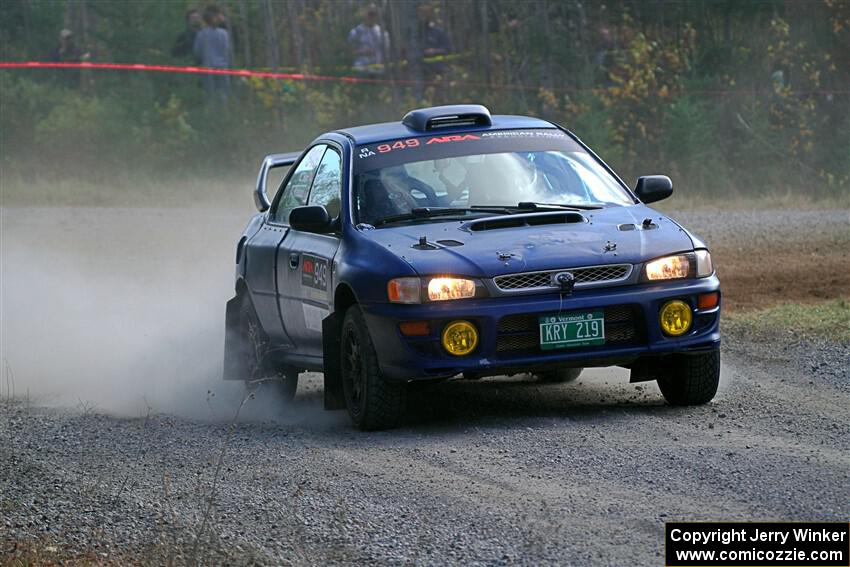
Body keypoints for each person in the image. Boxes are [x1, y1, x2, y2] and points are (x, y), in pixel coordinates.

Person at [193, 5, 231, 103]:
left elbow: (197, 52)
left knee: (210, 95)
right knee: (224, 94)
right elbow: (226, 50)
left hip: (208, 68)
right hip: (222, 67)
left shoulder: (201, 34)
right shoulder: (224, 34)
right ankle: (225, 113)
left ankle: (212, 114)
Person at [347, 4, 390, 76]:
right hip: (360, 70)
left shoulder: (383, 33)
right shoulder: (356, 32)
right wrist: (363, 52)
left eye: (374, 14)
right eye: (369, 14)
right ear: (365, 14)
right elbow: (349, 52)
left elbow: (387, 52)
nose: (371, 17)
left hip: (378, 70)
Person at [418, 4, 451, 76]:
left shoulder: (438, 32)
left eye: (425, 14)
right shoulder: (414, 34)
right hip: (418, 72)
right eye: (421, 15)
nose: (423, 17)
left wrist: (434, 51)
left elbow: (448, 49)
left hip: (437, 70)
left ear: (430, 16)